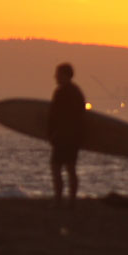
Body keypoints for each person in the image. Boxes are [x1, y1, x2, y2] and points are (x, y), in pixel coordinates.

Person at [47, 62, 86, 206]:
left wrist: (52, 133)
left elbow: (55, 115)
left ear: (64, 75)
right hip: (74, 137)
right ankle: (71, 201)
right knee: (71, 168)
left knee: (56, 167)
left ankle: (58, 200)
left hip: (63, 136)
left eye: (57, 74)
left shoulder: (61, 92)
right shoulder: (77, 92)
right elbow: (81, 116)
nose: (55, 77)